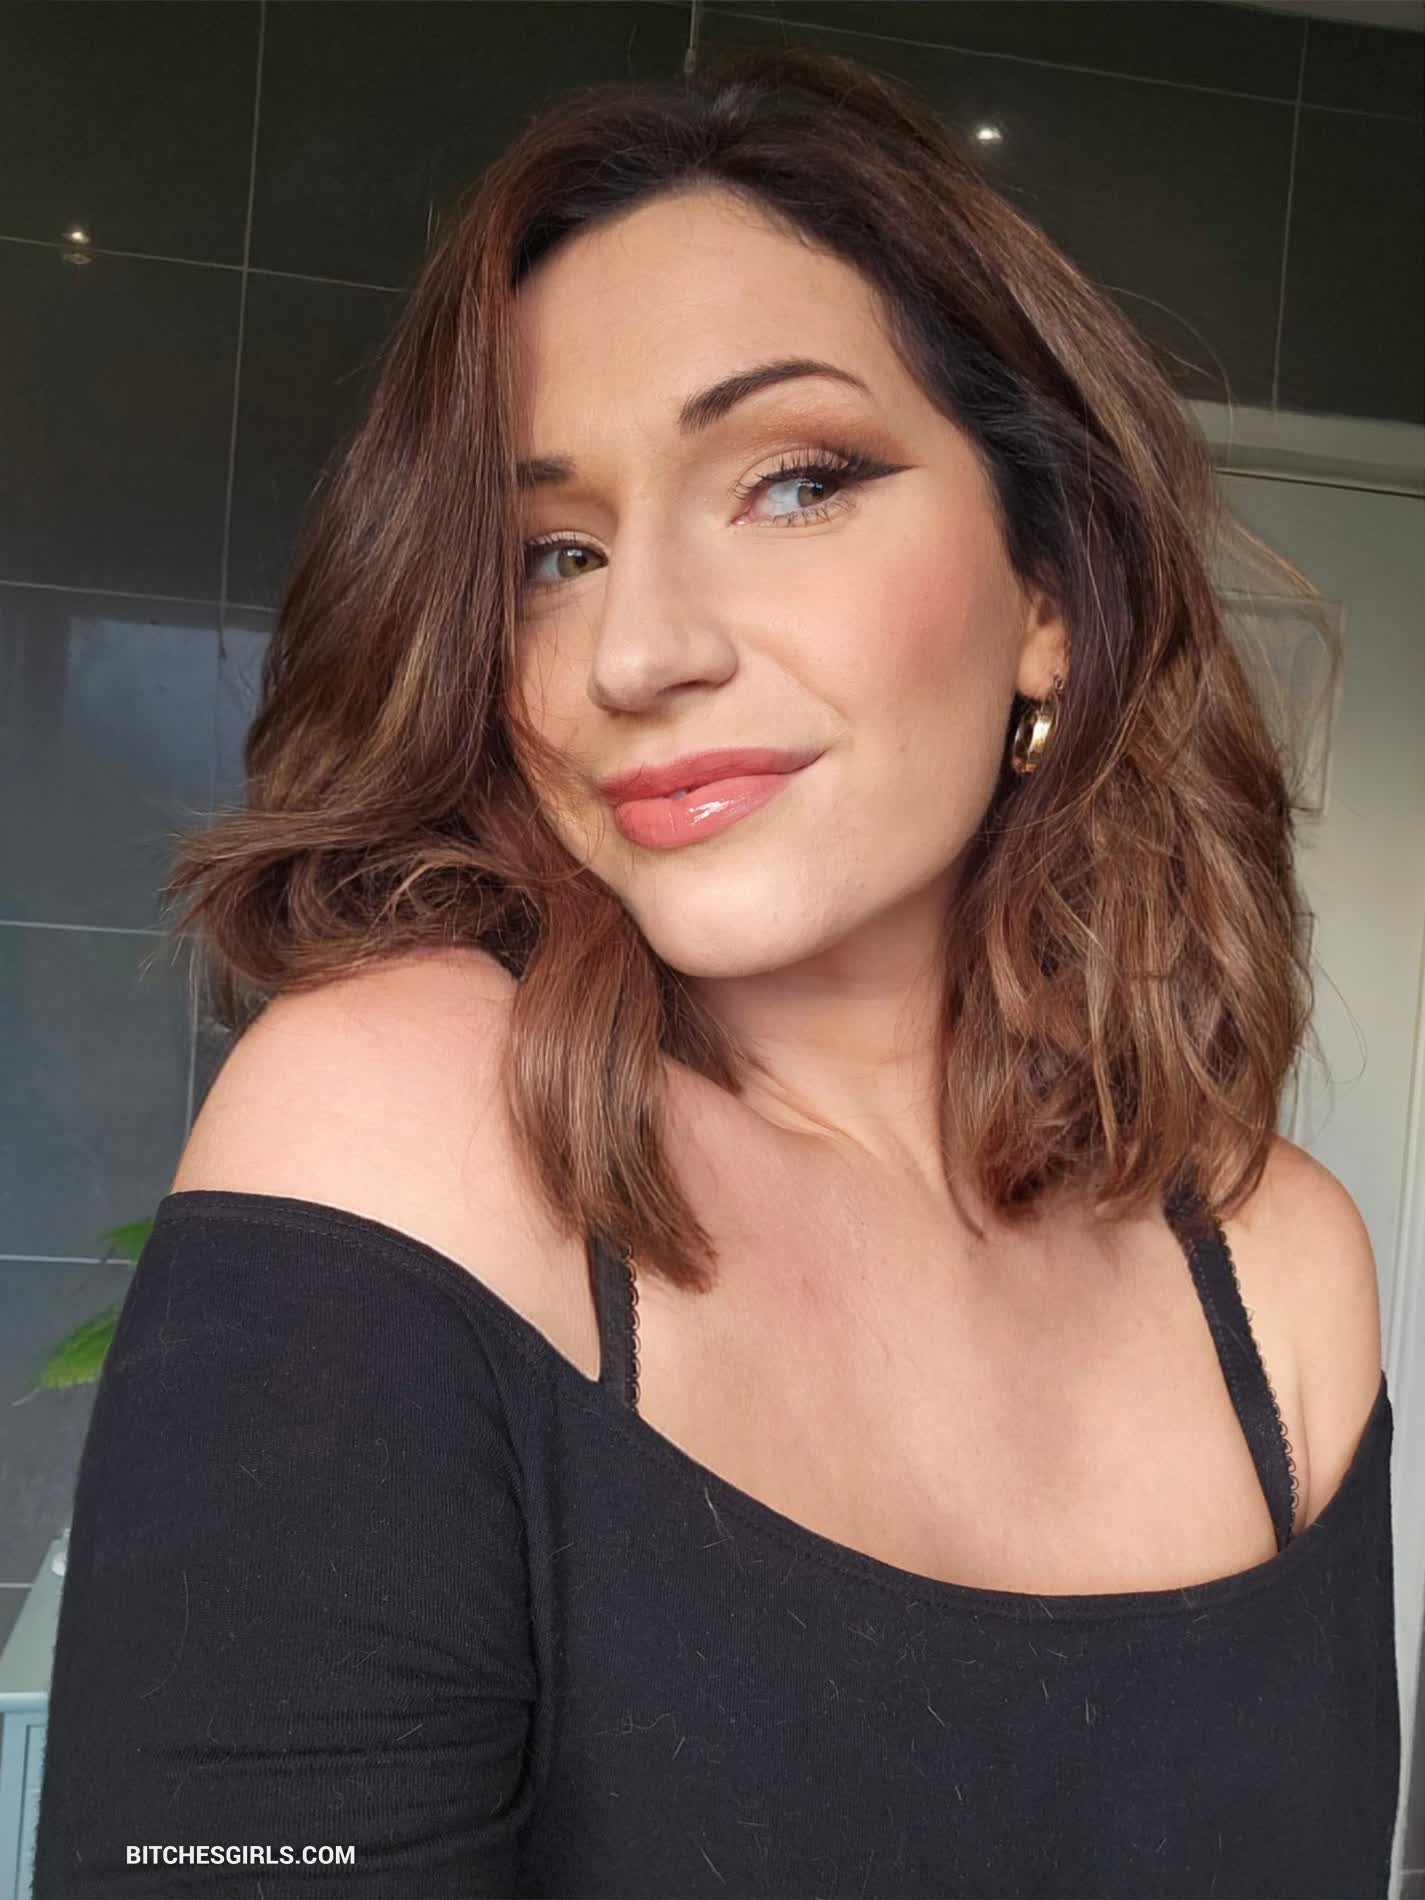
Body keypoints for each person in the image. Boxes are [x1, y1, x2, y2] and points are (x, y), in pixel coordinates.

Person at [32, 41, 1398, 1900]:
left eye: (794, 482)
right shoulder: (411, 1124)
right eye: (552, 553)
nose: (636, 651)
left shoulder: (1277, 1272)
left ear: (1049, 594)